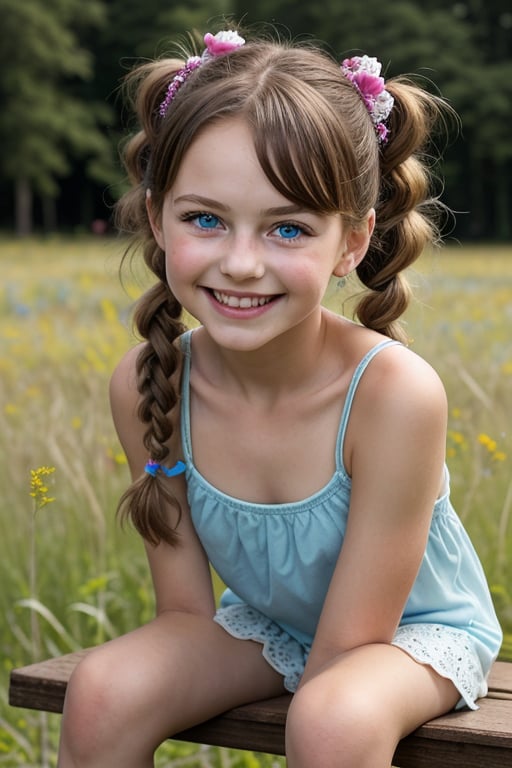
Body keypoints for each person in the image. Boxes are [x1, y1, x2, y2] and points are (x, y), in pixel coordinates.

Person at [57, 28, 502, 768]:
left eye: (288, 228)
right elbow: (184, 618)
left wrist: (326, 695)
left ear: (352, 243)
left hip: (406, 637)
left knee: (330, 721)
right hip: (270, 624)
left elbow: (350, 647)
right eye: (205, 218)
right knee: (102, 689)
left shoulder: (392, 395)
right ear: (158, 212)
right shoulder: (148, 385)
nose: (240, 263)